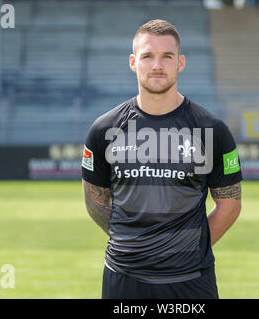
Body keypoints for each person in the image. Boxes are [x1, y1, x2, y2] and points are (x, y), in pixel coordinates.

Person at [82, 19, 242, 299]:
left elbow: (229, 205)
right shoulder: (104, 129)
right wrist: (136, 246)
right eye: (147, 56)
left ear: (180, 63)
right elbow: (95, 200)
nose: (157, 65)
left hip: (191, 279)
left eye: (167, 56)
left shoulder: (211, 130)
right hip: (124, 278)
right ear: (133, 62)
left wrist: (189, 248)